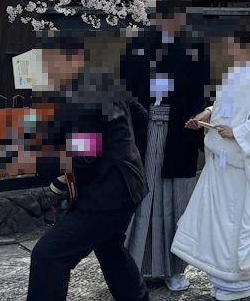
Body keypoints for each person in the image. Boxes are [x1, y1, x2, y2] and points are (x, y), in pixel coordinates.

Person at [20, 35, 150, 301]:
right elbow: (140, 117)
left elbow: (83, 153)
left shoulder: (81, 94)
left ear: (75, 60)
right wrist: (127, 153)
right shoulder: (103, 80)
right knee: (109, 248)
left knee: (49, 255)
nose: (48, 69)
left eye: (53, 62)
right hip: (125, 184)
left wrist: (35, 159)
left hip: (108, 193)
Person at [171, 24, 250, 301]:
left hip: (239, 167)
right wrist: (205, 116)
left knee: (235, 225)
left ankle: (236, 282)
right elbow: (221, 105)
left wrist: (238, 132)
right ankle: (220, 279)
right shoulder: (233, 74)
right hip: (217, 164)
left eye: (230, 45)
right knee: (213, 222)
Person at [118, 0, 210, 292]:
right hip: (143, 132)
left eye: (178, 16)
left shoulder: (195, 47)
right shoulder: (137, 46)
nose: (173, 21)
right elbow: (124, 89)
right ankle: (133, 268)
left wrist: (199, 114)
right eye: (168, 16)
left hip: (178, 132)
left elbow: (201, 89)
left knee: (175, 202)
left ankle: (174, 268)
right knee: (140, 198)